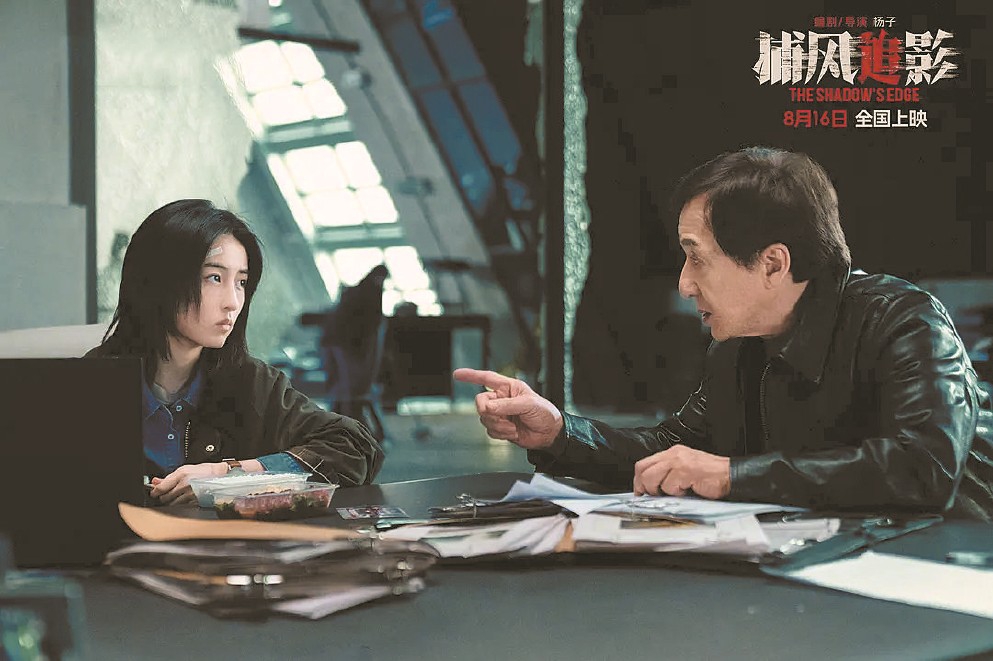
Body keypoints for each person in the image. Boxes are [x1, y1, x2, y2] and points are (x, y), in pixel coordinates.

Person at [455, 147, 993, 520]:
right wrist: (558, 432)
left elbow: (923, 468)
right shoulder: (737, 347)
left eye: (697, 258)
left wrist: (735, 476)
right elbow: (671, 451)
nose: (684, 284)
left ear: (773, 263)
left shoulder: (903, 320)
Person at [89, 199, 384, 504]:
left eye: (241, 282)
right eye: (214, 278)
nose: (232, 302)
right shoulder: (88, 383)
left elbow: (356, 448)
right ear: (159, 281)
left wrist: (229, 475)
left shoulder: (252, 383)